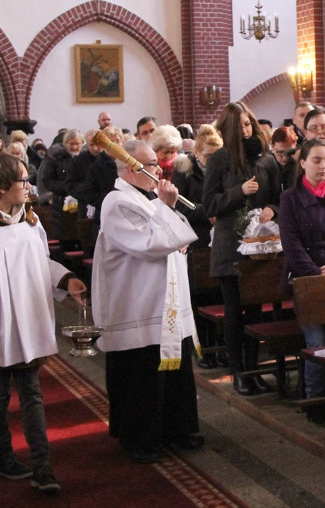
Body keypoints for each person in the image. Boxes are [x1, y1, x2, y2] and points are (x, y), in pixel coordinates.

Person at [0, 152, 87, 493]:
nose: (29, 187)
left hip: (28, 322)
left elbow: (41, 263)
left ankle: (43, 468)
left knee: (32, 393)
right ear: (1, 187)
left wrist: (66, 279)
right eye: (23, 181)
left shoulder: (29, 221)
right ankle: (1, 457)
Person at [92, 139, 203, 464]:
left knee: (174, 371)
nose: (158, 170)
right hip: (139, 304)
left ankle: (176, 429)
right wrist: (167, 209)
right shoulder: (117, 202)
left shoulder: (146, 198)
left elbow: (172, 239)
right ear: (131, 168)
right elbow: (150, 244)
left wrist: (174, 231)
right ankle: (139, 438)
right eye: (151, 164)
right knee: (143, 375)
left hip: (165, 302)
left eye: (157, 163)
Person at [202, 101, 280, 396]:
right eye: (241, 126)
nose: (246, 130)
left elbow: (277, 198)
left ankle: (254, 370)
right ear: (228, 130)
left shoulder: (266, 159)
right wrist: (239, 192)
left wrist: (272, 209)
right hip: (230, 245)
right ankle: (238, 373)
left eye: (249, 124)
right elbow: (208, 204)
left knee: (257, 310)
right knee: (234, 311)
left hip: (259, 244)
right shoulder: (219, 159)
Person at [278, 139, 325, 424]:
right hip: (306, 278)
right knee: (318, 340)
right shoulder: (290, 198)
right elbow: (291, 243)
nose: (323, 166)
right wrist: (316, 272)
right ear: (303, 163)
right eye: (317, 160)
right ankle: (316, 402)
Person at [173, 124, 225, 369]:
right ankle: (202, 348)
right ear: (197, 153)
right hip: (197, 239)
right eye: (208, 156)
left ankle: (220, 348)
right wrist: (208, 212)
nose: (212, 160)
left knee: (219, 295)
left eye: (216, 155)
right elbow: (179, 205)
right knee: (198, 297)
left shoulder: (223, 170)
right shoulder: (184, 172)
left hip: (219, 239)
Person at [37, 128, 84, 249]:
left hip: (82, 202)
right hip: (61, 203)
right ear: (65, 143)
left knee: (82, 239)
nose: (74, 147)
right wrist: (67, 187)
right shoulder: (56, 157)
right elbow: (47, 179)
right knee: (66, 239)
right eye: (71, 143)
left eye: (77, 144)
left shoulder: (84, 157)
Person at [270, 126, 298, 190]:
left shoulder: (303, 163)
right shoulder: (266, 165)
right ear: (272, 146)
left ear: (295, 144)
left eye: (290, 152)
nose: (285, 158)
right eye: (280, 152)